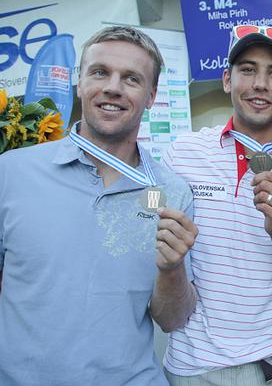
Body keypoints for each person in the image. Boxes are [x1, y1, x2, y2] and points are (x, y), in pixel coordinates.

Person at [0, 25, 196, 385]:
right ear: (79, 82)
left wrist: (172, 269)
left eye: (132, 78)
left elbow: (172, 319)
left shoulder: (172, 192)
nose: (113, 87)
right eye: (100, 72)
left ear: (151, 96)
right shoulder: (10, 172)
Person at [160, 24, 272, 385]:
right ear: (226, 79)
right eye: (247, 69)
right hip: (196, 369)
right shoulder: (182, 154)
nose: (260, 84)